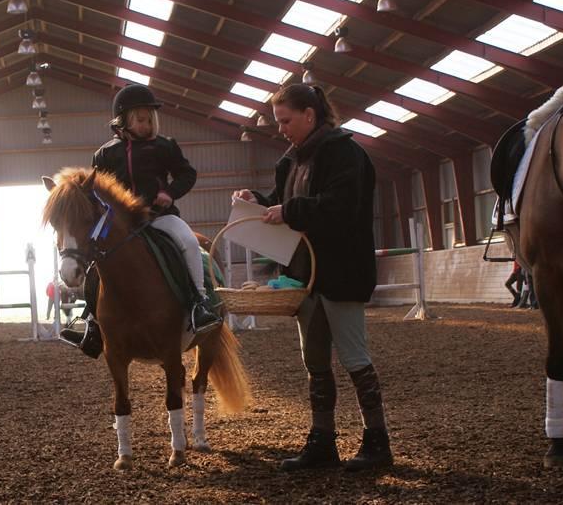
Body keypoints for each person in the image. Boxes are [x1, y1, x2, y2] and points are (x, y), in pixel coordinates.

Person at [232, 83, 393, 472]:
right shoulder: (291, 162)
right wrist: (260, 201)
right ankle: (322, 442)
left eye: (286, 121)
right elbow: (284, 206)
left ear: (310, 114)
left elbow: (339, 206)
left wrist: (289, 209)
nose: (281, 129)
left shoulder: (345, 154)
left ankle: (377, 442)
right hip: (305, 276)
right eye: (278, 122)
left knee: (355, 357)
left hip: (341, 272)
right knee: (315, 361)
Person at [61, 83, 222, 357]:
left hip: (160, 218)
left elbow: (187, 174)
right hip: (121, 225)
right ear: (123, 121)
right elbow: (96, 192)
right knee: (95, 259)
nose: (147, 125)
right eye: (141, 119)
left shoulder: (164, 146)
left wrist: (169, 193)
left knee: (188, 243)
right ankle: (90, 318)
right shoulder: (105, 154)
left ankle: (200, 303)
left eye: (150, 119)